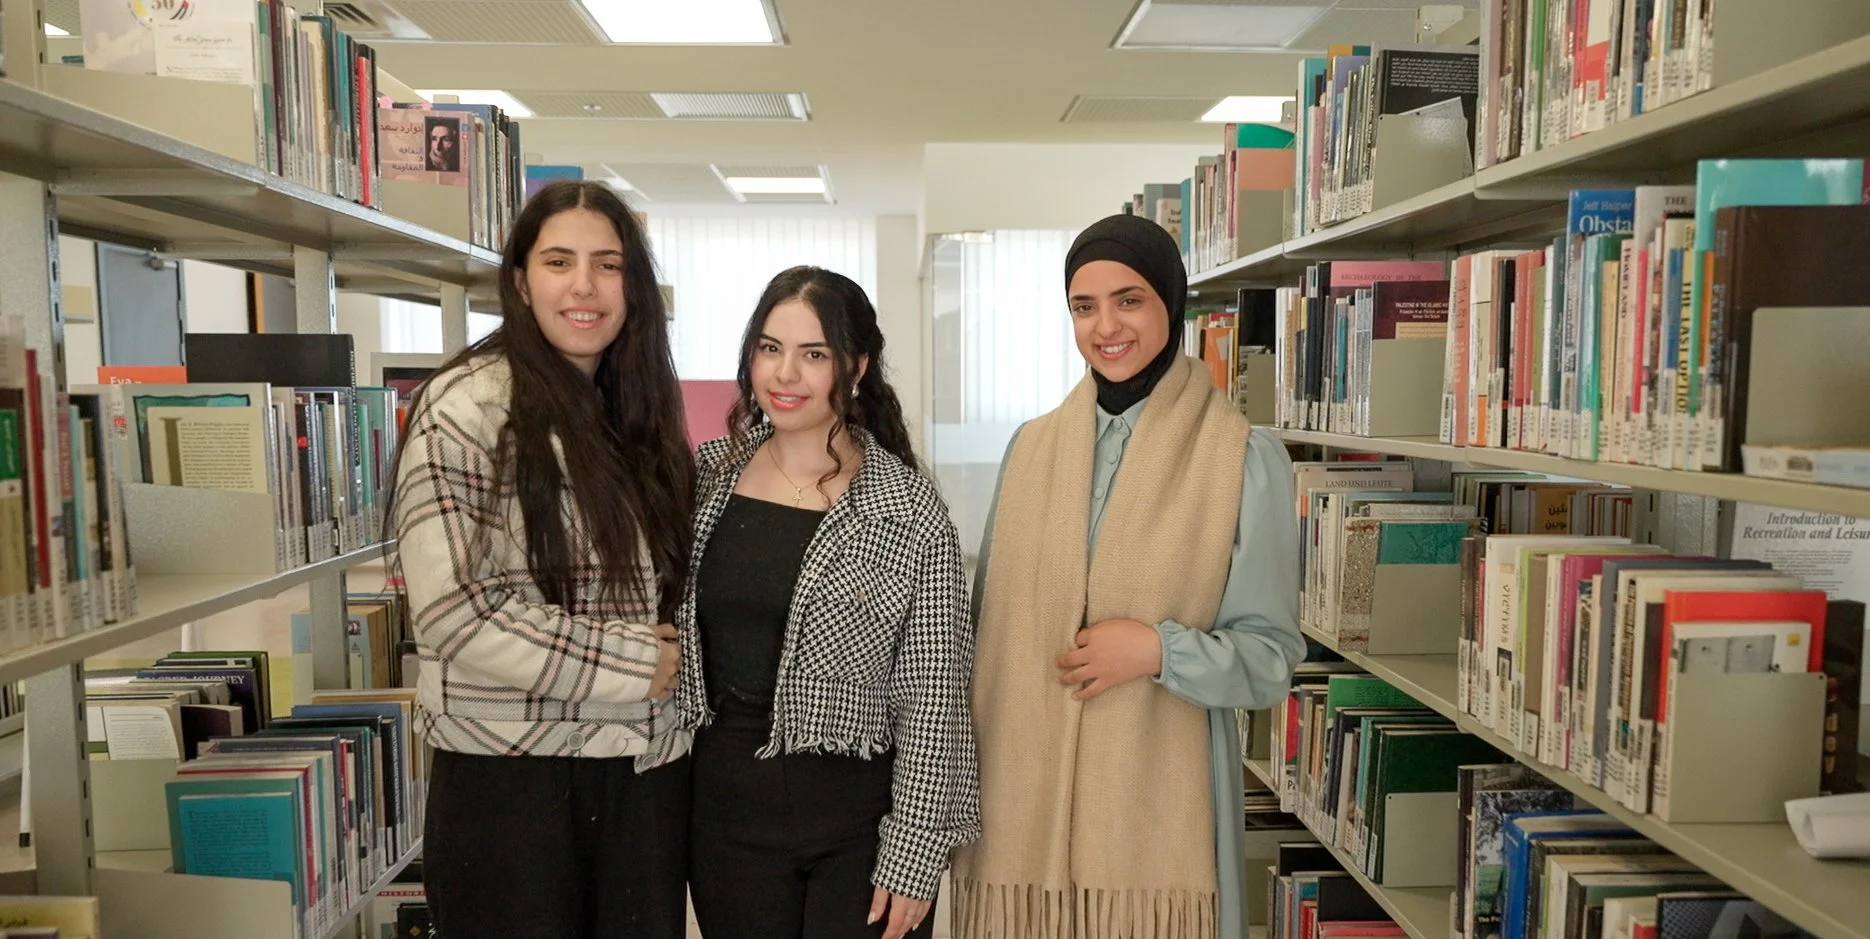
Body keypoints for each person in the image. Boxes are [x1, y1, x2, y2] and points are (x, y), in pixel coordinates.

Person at [950, 214, 1304, 939]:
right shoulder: (1031, 447)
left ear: (1170, 302)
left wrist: (1158, 649)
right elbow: (987, 633)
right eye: (1084, 306)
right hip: (1023, 812)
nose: (1105, 326)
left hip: (1156, 820)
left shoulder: (1242, 456)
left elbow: (1271, 659)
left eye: (1129, 299)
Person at [389, 180, 695, 938]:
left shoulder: (635, 408)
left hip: (635, 775)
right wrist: (634, 662)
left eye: (608, 264)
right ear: (521, 281)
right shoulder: (465, 406)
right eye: (559, 261)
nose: (584, 286)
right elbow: (454, 614)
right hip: (513, 783)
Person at [675, 265, 979, 939]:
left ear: (858, 364)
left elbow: (935, 694)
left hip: (859, 827)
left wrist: (916, 850)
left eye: (814, 354)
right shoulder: (706, 479)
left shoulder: (907, 508)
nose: (786, 373)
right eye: (769, 347)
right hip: (726, 816)